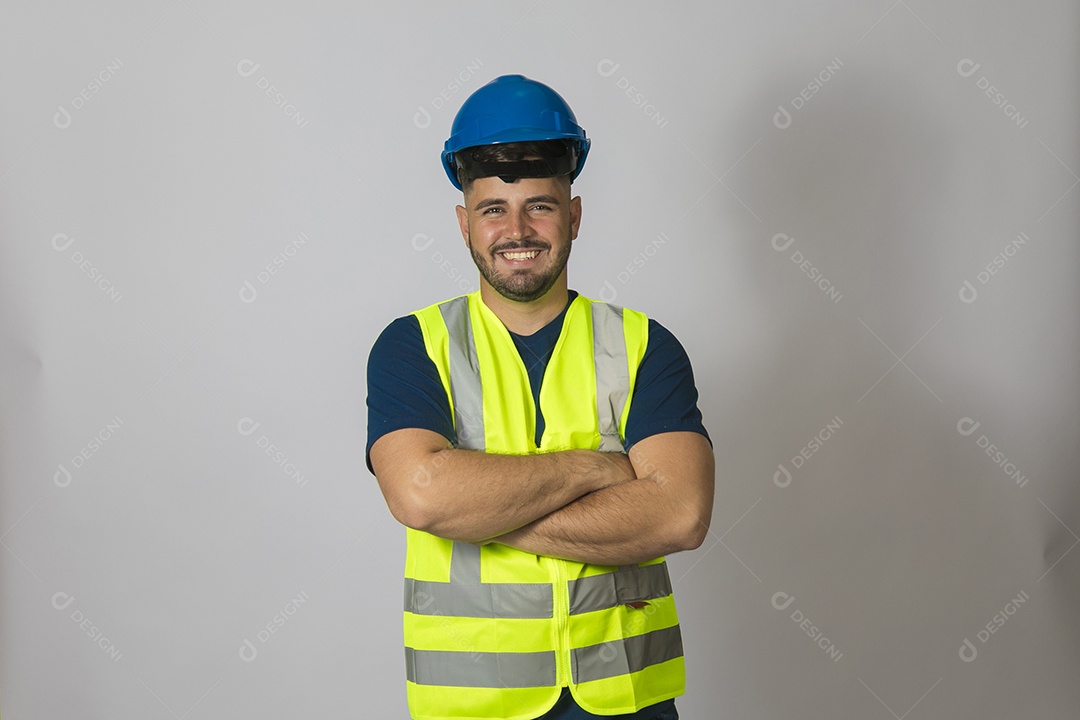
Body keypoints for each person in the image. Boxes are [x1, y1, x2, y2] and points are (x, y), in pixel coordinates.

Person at [367, 74, 714, 720]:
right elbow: (420, 494)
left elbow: (680, 515)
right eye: (494, 208)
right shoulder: (414, 347)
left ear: (574, 216)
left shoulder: (643, 345)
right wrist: (595, 470)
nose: (517, 228)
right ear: (464, 223)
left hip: (626, 702)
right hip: (474, 706)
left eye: (541, 205)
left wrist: (479, 517)